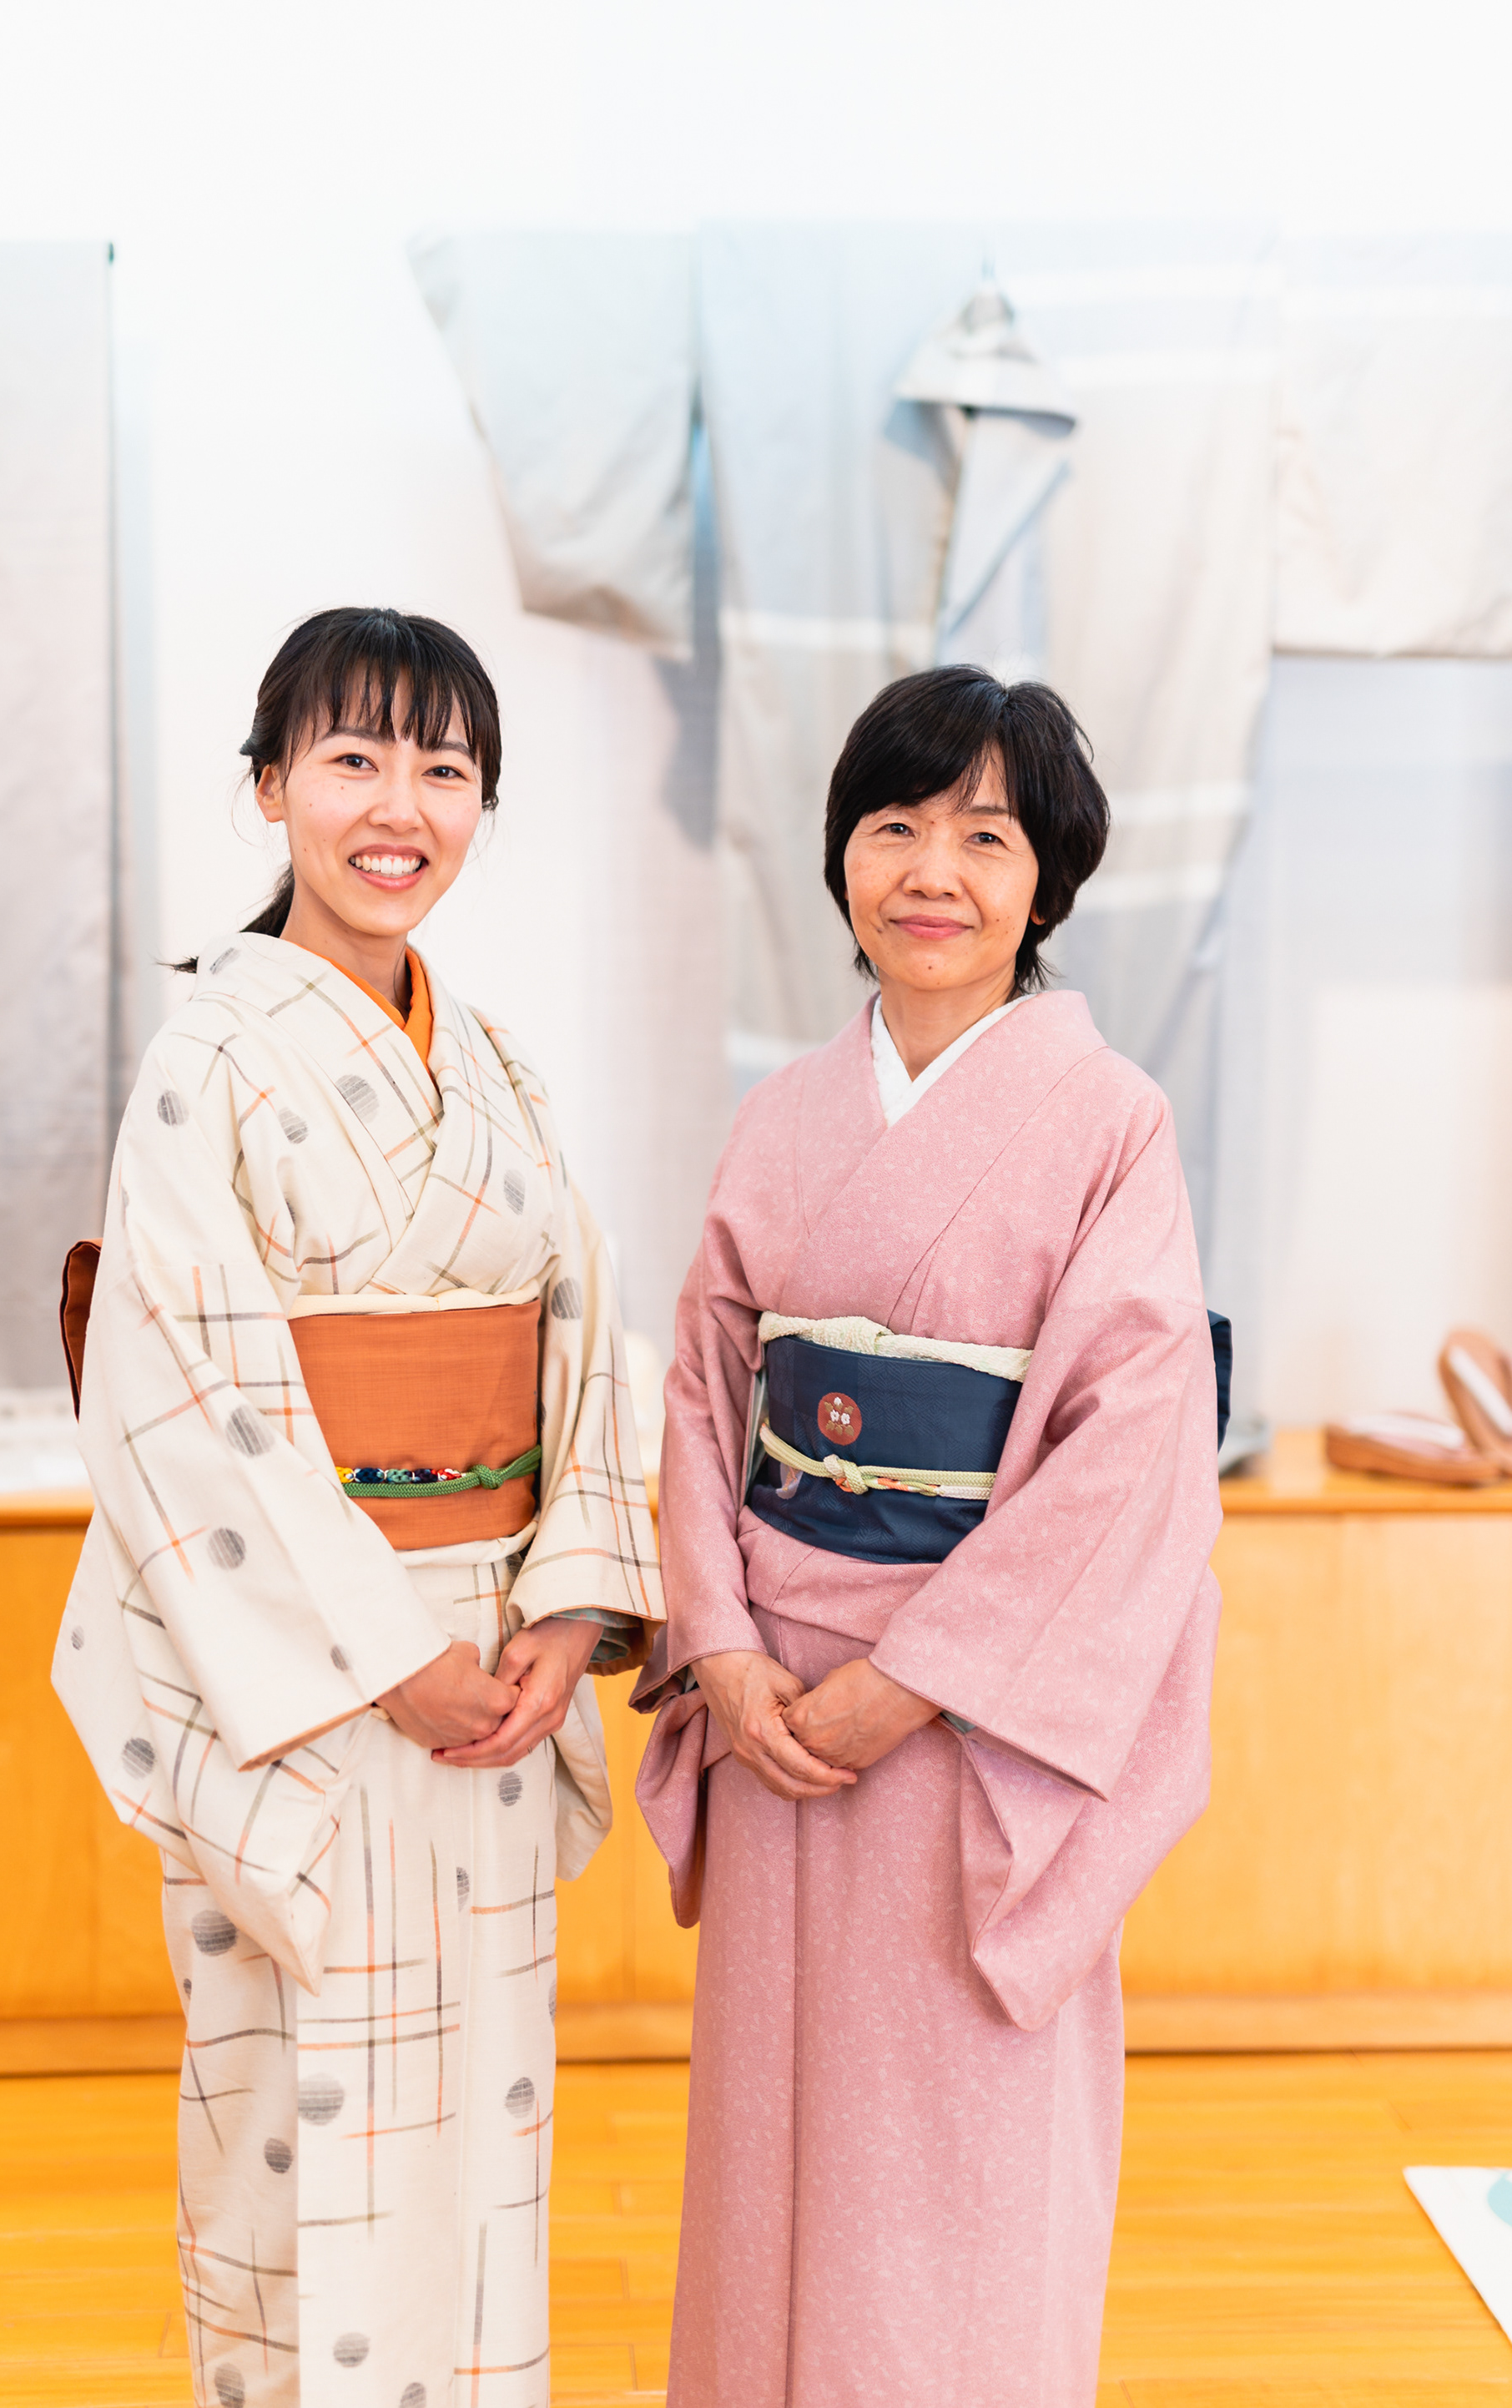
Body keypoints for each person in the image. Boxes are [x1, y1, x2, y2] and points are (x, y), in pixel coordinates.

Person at [53, 607, 663, 2408]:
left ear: (480, 805)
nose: (400, 806)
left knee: (483, 2118)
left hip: (495, 1656)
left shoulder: (501, 1071)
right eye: (352, 758)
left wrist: (566, 1607)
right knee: (290, 2114)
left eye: (443, 768)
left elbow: (584, 1341)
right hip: (310, 1679)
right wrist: (390, 1659)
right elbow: (183, 1397)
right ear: (270, 787)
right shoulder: (209, 1063)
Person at [634, 666, 1222, 2408]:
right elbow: (702, 1392)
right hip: (771, 1704)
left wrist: (916, 1679)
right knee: (771, 2132)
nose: (933, 872)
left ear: (1048, 880)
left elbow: (1133, 1452)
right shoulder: (782, 1115)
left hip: (966, 1726)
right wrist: (719, 1647)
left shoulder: (1110, 1123)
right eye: (894, 826)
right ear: (842, 859)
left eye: (986, 836)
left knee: (958, 2139)